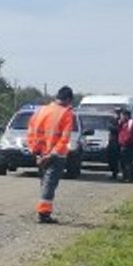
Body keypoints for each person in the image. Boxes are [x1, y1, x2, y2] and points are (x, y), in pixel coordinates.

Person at [27, 86, 76, 224]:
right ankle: (44, 213)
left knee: (44, 183)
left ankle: (44, 211)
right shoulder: (66, 113)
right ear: (68, 99)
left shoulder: (41, 110)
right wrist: (53, 154)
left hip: (40, 154)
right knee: (50, 184)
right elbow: (64, 138)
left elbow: (31, 132)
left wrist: (35, 153)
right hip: (56, 156)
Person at [119, 108, 133, 184]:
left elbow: (130, 134)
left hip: (128, 145)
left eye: (122, 115)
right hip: (123, 144)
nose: (121, 117)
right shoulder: (123, 123)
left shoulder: (131, 123)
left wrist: (125, 142)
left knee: (128, 162)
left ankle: (130, 178)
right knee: (123, 162)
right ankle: (125, 177)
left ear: (126, 115)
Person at [107, 108, 122, 179]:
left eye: (118, 112)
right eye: (116, 112)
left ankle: (115, 173)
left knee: (117, 158)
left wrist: (117, 127)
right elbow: (110, 127)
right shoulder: (112, 119)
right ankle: (113, 172)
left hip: (119, 142)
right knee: (111, 158)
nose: (117, 114)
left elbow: (120, 129)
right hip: (112, 141)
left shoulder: (122, 120)